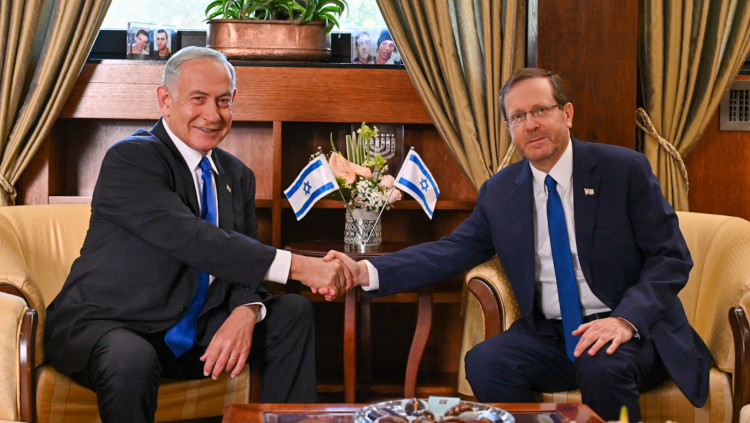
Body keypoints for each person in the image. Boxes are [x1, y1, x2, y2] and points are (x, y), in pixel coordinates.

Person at [329, 68, 711, 421]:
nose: (531, 125)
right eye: (518, 117)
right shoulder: (501, 193)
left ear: (567, 114)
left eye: (541, 110)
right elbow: (448, 252)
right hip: (551, 334)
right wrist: (363, 271)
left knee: (600, 364)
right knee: (486, 361)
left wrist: (626, 320)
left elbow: (670, 257)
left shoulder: (623, 170)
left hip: (631, 329)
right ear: (510, 128)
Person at [44, 47, 350, 423]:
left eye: (223, 101)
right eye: (198, 99)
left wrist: (247, 310)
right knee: (131, 357)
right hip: (113, 323)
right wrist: (300, 267)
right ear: (165, 100)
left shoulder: (237, 175)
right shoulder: (131, 159)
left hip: (193, 332)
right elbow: (194, 239)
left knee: (291, 313)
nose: (212, 115)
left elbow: (243, 262)